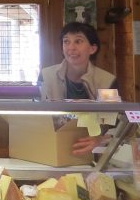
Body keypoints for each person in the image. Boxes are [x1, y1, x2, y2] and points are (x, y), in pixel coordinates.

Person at [39, 21, 119, 155]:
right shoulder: (46, 76)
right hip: (53, 145)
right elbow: (39, 115)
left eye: (78, 41)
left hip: (93, 149)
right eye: (66, 42)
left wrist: (99, 139)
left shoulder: (106, 81)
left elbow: (111, 123)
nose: (71, 48)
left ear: (92, 49)